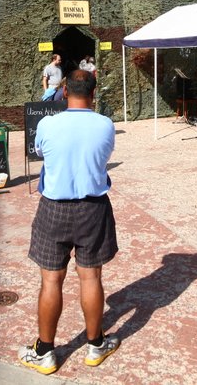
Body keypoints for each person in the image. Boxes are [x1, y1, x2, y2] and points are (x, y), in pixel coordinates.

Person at [18, 69, 120, 374]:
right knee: (91, 277)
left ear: (64, 92)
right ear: (94, 93)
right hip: (93, 208)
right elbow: (104, 156)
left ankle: (45, 351)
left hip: (54, 208)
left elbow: (40, 152)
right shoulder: (105, 125)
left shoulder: (47, 124)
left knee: (51, 280)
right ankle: (95, 345)